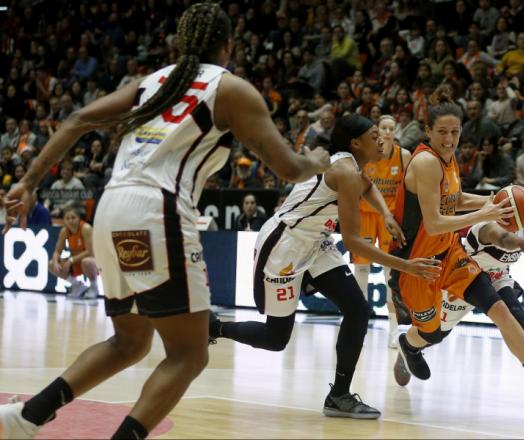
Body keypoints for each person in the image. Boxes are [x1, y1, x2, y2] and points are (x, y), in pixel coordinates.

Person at [0, 4, 330, 439]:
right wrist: (316, 162)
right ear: (228, 46)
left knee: (130, 342)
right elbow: (287, 167)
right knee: (190, 354)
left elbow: (79, 119)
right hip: (158, 209)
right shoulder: (230, 89)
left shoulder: (153, 82)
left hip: (112, 206)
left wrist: (28, 180)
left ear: (182, 42)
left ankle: (27, 417)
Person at [208, 114, 441, 419]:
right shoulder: (343, 170)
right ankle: (214, 328)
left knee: (358, 309)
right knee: (276, 339)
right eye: (374, 136)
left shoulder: (353, 165)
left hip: (316, 242)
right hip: (286, 244)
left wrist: (384, 213)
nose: (381, 140)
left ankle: (339, 395)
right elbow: (355, 243)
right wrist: (406, 266)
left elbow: (367, 186)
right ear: (356, 143)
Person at [390, 93, 524, 410]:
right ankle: (408, 344)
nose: (450, 139)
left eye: (455, 132)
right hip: (417, 265)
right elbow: (435, 222)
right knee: (432, 333)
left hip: (449, 254)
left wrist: (498, 201)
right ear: (428, 131)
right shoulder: (424, 163)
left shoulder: (449, 161)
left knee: (502, 310)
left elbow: (457, 200)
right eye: (443, 132)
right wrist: (486, 215)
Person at [394, 220, 524, 407]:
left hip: (495, 279)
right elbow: (502, 238)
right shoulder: (485, 228)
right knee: (434, 334)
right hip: (462, 283)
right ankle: (409, 346)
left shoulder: (520, 228)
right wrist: (519, 243)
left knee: (516, 318)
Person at [352, 115, 411, 348]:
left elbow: (409, 188)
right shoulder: (366, 154)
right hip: (364, 214)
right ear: (377, 131)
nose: (387, 132)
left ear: (395, 131)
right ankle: (357, 324)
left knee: (390, 273)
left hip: (391, 218)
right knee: (361, 269)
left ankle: (395, 329)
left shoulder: (403, 156)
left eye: (391, 128)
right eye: (383, 128)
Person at [48, 207, 99, 299]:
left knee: (86, 262)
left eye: (73, 217)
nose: (70, 221)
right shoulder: (64, 231)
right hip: (76, 261)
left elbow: (90, 252)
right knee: (51, 265)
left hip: (93, 261)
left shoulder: (86, 228)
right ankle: (77, 285)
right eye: (67, 218)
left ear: (79, 218)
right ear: (64, 220)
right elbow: (57, 251)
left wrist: (71, 260)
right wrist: (55, 262)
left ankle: (94, 287)